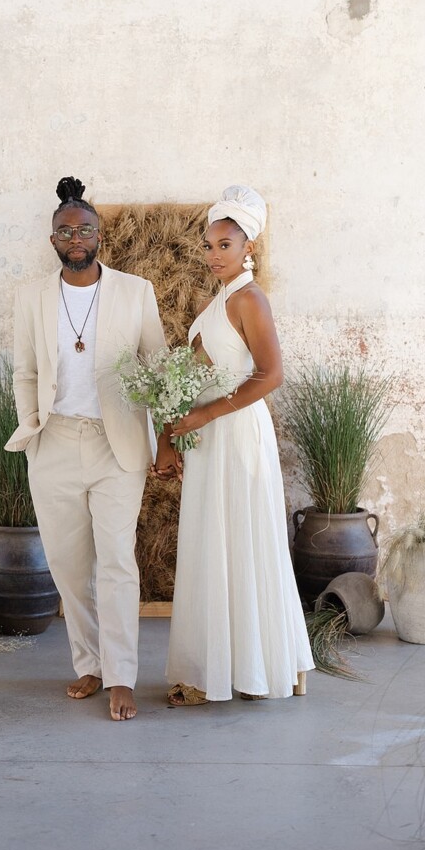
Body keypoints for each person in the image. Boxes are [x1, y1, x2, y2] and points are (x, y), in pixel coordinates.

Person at [5, 176, 170, 721]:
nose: (76, 237)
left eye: (85, 229)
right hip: (53, 442)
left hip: (115, 443)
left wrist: (168, 434)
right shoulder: (30, 298)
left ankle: (121, 675)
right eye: (65, 230)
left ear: (101, 235)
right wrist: (31, 424)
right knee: (70, 567)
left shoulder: (134, 291)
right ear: (53, 239)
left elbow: (159, 368)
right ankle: (89, 664)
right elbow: (25, 370)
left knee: (118, 562)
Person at [163, 184, 314, 705]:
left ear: (247, 246)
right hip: (209, 437)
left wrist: (204, 413)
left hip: (238, 433)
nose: (212, 255)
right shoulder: (218, 300)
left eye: (224, 245)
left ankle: (256, 666)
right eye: (207, 246)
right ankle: (217, 666)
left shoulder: (249, 298)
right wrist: (183, 430)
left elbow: (270, 375)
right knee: (212, 542)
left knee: (244, 539)